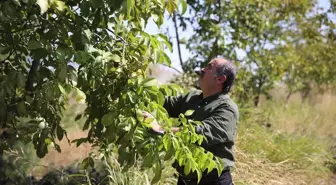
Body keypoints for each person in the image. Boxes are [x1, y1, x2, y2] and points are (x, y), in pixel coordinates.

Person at [144, 58, 239, 185]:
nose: (202, 69)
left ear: (220, 79)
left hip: (213, 181)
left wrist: (161, 130)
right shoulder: (193, 97)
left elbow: (202, 132)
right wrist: (139, 91)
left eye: (209, 67)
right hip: (186, 180)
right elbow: (165, 102)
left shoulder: (227, 109)